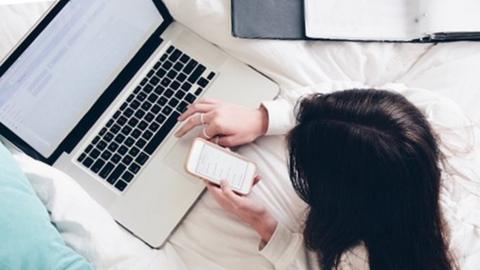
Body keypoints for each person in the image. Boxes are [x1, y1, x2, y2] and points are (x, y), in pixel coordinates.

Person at [174, 84, 469, 270]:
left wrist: (263, 224)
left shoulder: (360, 260)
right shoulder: (437, 115)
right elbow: (359, 106)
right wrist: (264, 118)